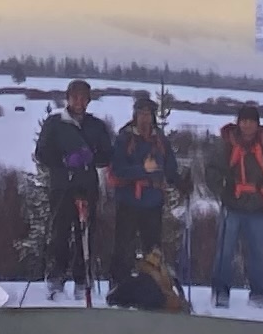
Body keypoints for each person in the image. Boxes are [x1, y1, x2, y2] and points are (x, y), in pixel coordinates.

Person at [31, 77, 115, 297]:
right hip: (61, 186)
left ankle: (82, 279)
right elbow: (41, 153)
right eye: (75, 97)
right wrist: (64, 160)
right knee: (60, 232)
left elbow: (108, 155)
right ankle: (56, 278)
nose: (79, 101)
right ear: (68, 98)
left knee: (85, 233)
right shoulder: (55, 123)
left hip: (87, 186)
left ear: (88, 101)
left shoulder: (96, 125)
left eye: (83, 98)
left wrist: (92, 157)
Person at [212, 101, 263, 308]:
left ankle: (259, 293)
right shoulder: (226, 145)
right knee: (225, 251)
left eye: (251, 121)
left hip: (258, 207)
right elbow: (212, 169)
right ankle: (220, 290)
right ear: (238, 123)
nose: (247, 126)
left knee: (257, 253)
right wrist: (221, 185)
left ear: (257, 124)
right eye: (243, 121)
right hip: (232, 204)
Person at [110, 90, 182, 279]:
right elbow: (117, 169)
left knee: (153, 250)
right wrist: (143, 170)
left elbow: (170, 168)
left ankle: (152, 285)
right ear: (135, 115)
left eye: (148, 114)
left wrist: (181, 182)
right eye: (141, 113)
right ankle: (119, 285)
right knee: (124, 248)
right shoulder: (124, 139)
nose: (144, 118)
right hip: (128, 201)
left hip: (152, 203)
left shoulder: (160, 141)